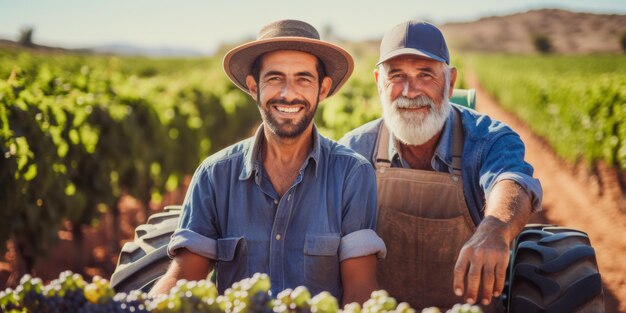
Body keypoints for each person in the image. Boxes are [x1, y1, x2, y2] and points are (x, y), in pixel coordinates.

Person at [149, 19, 386, 304]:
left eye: (303, 79)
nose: (288, 93)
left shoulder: (352, 174)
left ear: (322, 89)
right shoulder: (214, 175)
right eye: (275, 78)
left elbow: (360, 290)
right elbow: (183, 277)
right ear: (253, 87)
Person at [339, 21, 542, 310]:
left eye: (425, 75)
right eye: (396, 75)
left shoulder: (487, 139)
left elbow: (511, 181)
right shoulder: (354, 149)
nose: (410, 91)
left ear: (450, 82)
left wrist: (495, 229)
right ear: (377, 82)